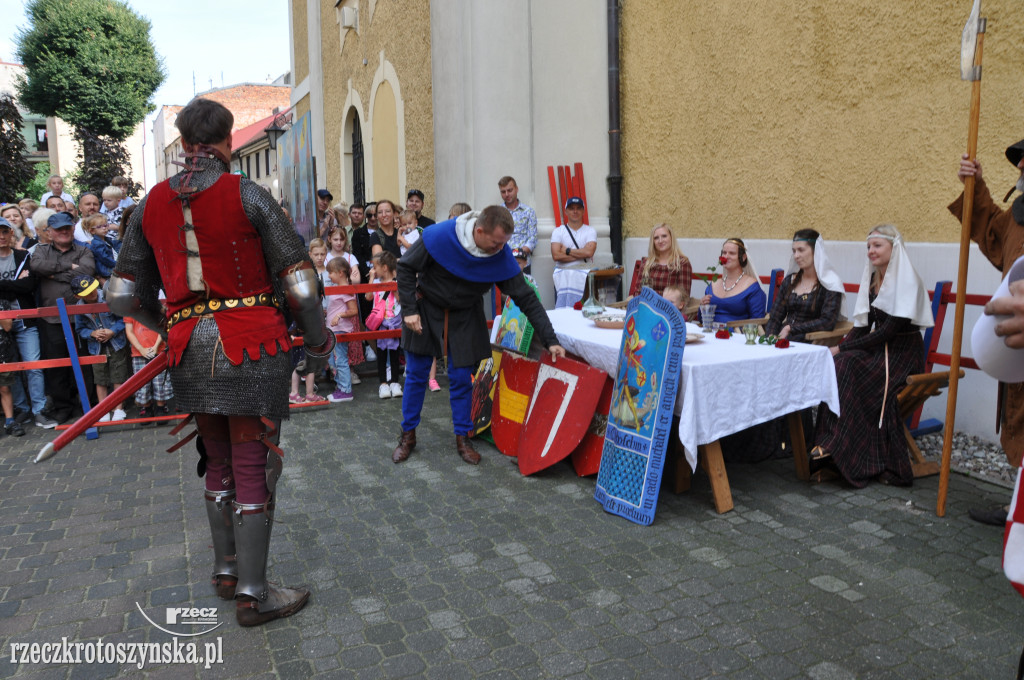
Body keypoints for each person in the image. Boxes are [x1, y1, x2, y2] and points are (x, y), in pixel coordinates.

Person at [106, 97, 335, 626]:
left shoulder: (149, 204)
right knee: (255, 465)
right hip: (253, 345)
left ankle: (226, 570)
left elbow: (121, 295)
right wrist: (320, 344)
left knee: (216, 460)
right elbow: (300, 286)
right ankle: (255, 594)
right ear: (229, 141)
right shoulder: (250, 194)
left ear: (184, 143)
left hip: (189, 349)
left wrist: (170, 327)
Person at [392, 206, 566, 465]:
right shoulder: (439, 236)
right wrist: (408, 311)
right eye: (496, 243)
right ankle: (408, 435)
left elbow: (525, 297)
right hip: (426, 308)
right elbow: (405, 268)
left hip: (465, 313)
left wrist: (551, 340)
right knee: (416, 374)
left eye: (504, 244)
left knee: (462, 377)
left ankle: (463, 436)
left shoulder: (499, 252)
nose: (500, 250)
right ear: (479, 230)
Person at [811, 224, 934, 487]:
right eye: (868, 246)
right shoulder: (873, 280)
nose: (871, 251)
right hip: (881, 351)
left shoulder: (907, 280)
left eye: (877, 246)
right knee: (838, 364)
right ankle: (831, 446)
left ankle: (843, 447)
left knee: (847, 364)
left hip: (901, 355)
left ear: (894, 247)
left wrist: (842, 348)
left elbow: (888, 332)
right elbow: (863, 327)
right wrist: (839, 348)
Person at [952, 144, 1024, 524]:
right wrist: (976, 185)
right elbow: (991, 230)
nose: (1022, 166)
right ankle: (1019, 507)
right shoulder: (1017, 216)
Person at [30, 211, 96, 424]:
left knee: (86, 363)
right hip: (52, 319)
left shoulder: (84, 250)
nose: (64, 232)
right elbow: (37, 267)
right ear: (49, 233)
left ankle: (89, 405)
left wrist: (54, 274)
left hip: (82, 319)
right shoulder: (40, 251)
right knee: (57, 365)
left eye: (67, 227)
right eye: (58, 229)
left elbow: (87, 272)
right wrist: (69, 267)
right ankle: (63, 407)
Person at [0, 216, 51, 428]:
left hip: (25, 320)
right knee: (11, 369)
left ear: (12, 233)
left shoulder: (23, 256)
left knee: (34, 366)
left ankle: (39, 410)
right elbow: (20, 285)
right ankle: (21, 410)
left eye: (5, 231)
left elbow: (30, 286)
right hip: (1, 325)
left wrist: (3, 284)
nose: (1, 236)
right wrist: (14, 284)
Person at [764, 229, 845, 341]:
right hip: (782, 340)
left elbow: (827, 322)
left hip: (810, 342)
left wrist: (791, 328)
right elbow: (775, 317)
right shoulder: (790, 281)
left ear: (815, 251)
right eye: (794, 251)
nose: (796, 255)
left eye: (801, 250)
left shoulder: (830, 284)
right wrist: (771, 335)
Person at [72, 274, 128, 422]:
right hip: (95, 347)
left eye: (93, 289)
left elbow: (123, 319)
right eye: (87, 293)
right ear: (78, 296)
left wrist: (113, 331)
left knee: (119, 375)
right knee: (100, 378)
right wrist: (92, 333)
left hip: (116, 343)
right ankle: (103, 409)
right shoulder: (79, 308)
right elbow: (80, 329)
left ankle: (119, 408)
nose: (92, 293)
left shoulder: (108, 298)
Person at [700, 238, 766, 323]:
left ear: (743, 257)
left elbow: (757, 321)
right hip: (711, 332)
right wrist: (702, 306)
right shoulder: (713, 284)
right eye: (724, 253)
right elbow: (702, 320)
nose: (726, 256)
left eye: (732, 253)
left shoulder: (751, 286)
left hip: (737, 334)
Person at [367, 251, 403, 399]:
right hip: (381, 322)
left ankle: (395, 382)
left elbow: (401, 300)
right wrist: (371, 278)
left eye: (376, 267)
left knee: (395, 353)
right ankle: (383, 383)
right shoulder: (375, 283)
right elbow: (368, 297)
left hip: (395, 321)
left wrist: (395, 289)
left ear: (385, 268)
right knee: (381, 354)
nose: (374, 270)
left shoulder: (397, 282)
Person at [550, 197, 597, 308]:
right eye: (571, 208)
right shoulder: (558, 231)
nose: (575, 211)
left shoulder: (590, 231)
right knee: (562, 314)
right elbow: (556, 255)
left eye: (578, 208)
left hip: (585, 276)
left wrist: (567, 250)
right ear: (566, 211)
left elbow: (589, 253)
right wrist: (582, 252)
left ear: (583, 211)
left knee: (586, 311)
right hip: (563, 275)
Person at [125, 313, 172, 422]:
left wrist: (156, 347)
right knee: (142, 383)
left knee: (160, 382)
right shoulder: (129, 310)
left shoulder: (156, 309)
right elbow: (129, 331)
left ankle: (161, 406)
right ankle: (146, 406)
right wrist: (141, 349)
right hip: (138, 352)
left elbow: (163, 327)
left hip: (159, 350)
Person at [325, 257, 358, 402]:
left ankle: (346, 390)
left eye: (331, 273)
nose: (329, 276)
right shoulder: (336, 288)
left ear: (341, 273)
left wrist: (339, 315)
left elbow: (353, 310)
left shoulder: (346, 290)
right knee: (333, 360)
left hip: (340, 329)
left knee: (340, 360)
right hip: (332, 329)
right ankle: (341, 386)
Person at [630, 223, 693, 297]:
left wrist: (650, 295)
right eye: (656, 238)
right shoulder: (647, 263)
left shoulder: (682, 263)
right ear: (653, 242)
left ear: (671, 238)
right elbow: (637, 292)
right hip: (646, 307)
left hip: (668, 308)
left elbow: (683, 297)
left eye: (664, 236)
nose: (660, 241)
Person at [499, 176, 537, 270]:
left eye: (510, 190)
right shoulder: (497, 213)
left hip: (523, 262)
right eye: (503, 192)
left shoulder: (528, 212)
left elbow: (533, 238)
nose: (507, 194)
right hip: (502, 261)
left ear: (516, 189)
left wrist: (519, 254)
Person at [0, 296, 23, 437]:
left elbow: (8, 326)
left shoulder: (3, 302)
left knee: (4, 387)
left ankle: (10, 422)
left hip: (2, 351)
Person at [85, 214, 119, 283]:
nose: (104, 228)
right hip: (106, 270)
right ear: (92, 231)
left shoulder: (107, 240)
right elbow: (104, 258)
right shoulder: (97, 243)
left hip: (112, 266)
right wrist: (117, 264)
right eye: (99, 226)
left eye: (105, 225)